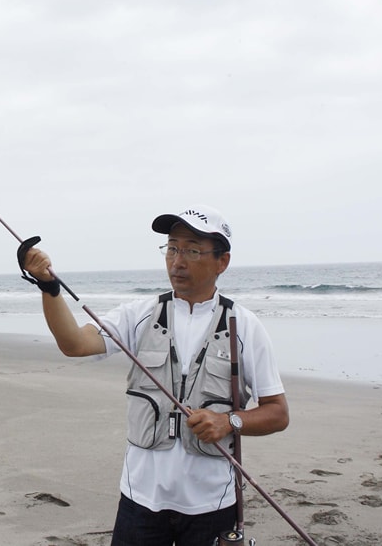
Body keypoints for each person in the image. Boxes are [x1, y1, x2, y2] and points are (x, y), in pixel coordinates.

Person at [20, 205, 289, 546]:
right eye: (172, 248)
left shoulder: (245, 326)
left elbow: (277, 413)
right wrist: (48, 286)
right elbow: (74, 344)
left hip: (213, 504)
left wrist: (229, 423)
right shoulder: (139, 315)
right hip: (140, 501)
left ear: (222, 261)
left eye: (192, 250)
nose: (178, 260)